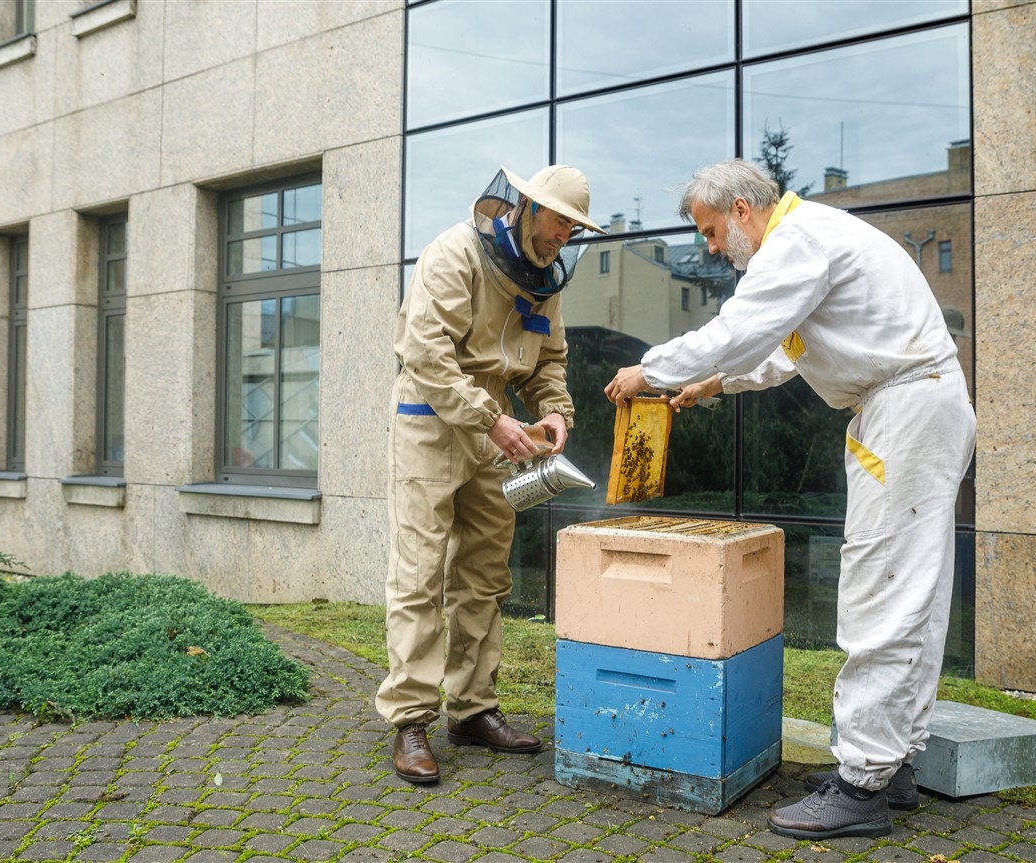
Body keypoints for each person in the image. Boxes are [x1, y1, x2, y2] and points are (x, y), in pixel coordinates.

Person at [605, 159, 976, 838]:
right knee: (912, 593)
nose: (712, 248)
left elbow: (740, 330)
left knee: (880, 589)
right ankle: (889, 765)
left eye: (712, 231)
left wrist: (648, 368)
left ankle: (860, 784)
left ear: (743, 209)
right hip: (919, 405)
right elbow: (783, 353)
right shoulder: (816, 242)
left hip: (907, 411)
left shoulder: (797, 240)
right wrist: (712, 385)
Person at [379, 165, 605, 783]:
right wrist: (490, 418)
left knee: (484, 574)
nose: (564, 236)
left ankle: (472, 709)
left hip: (495, 427)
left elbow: (547, 359)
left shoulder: (544, 278)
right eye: (560, 220)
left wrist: (555, 411)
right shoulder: (454, 253)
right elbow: (425, 353)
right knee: (420, 572)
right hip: (431, 420)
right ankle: (411, 721)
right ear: (528, 206)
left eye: (573, 228)